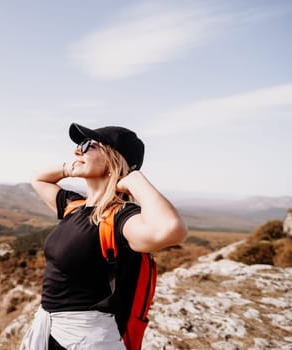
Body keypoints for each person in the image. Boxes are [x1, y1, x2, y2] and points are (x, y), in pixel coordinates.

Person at [20, 122, 188, 350]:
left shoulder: (120, 219)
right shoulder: (74, 206)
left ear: (113, 158)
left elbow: (170, 229)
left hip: (84, 339)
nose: (78, 150)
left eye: (89, 145)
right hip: (48, 329)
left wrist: (134, 180)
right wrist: (72, 167)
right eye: (79, 145)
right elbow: (38, 178)